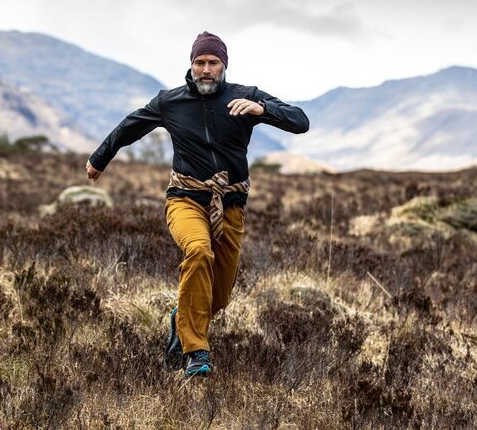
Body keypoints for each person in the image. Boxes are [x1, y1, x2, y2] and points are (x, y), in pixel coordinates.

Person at [86, 31, 309, 377]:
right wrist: (100, 158)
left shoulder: (245, 97)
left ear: (224, 66)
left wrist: (262, 109)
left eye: (212, 63)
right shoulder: (170, 102)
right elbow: (130, 126)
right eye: (199, 62)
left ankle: (181, 318)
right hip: (186, 198)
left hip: (229, 205)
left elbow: (300, 121)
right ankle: (196, 352)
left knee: (217, 298)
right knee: (199, 251)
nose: (206, 69)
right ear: (191, 65)